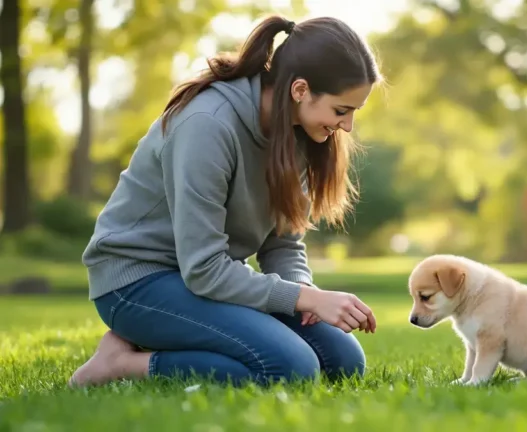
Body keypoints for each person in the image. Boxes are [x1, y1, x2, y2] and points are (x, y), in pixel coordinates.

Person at [68, 14, 382, 388]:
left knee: (344, 361)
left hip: (204, 280)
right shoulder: (208, 124)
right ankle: (120, 363)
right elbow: (203, 267)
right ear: (300, 90)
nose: (346, 127)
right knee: (293, 368)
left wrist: (306, 294)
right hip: (138, 281)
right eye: (341, 111)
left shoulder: (297, 133)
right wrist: (302, 299)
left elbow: (282, 241)